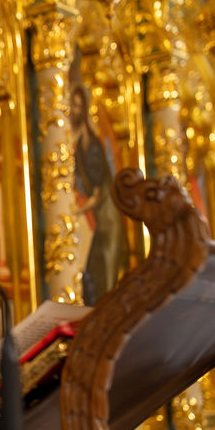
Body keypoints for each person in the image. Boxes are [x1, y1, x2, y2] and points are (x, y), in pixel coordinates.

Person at [69, 85, 128, 305]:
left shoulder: (92, 145)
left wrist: (75, 211)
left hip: (106, 222)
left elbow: (95, 195)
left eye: (77, 106)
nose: (73, 110)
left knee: (103, 284)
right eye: (71, 105)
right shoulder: (79, 143)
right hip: (97, 222)